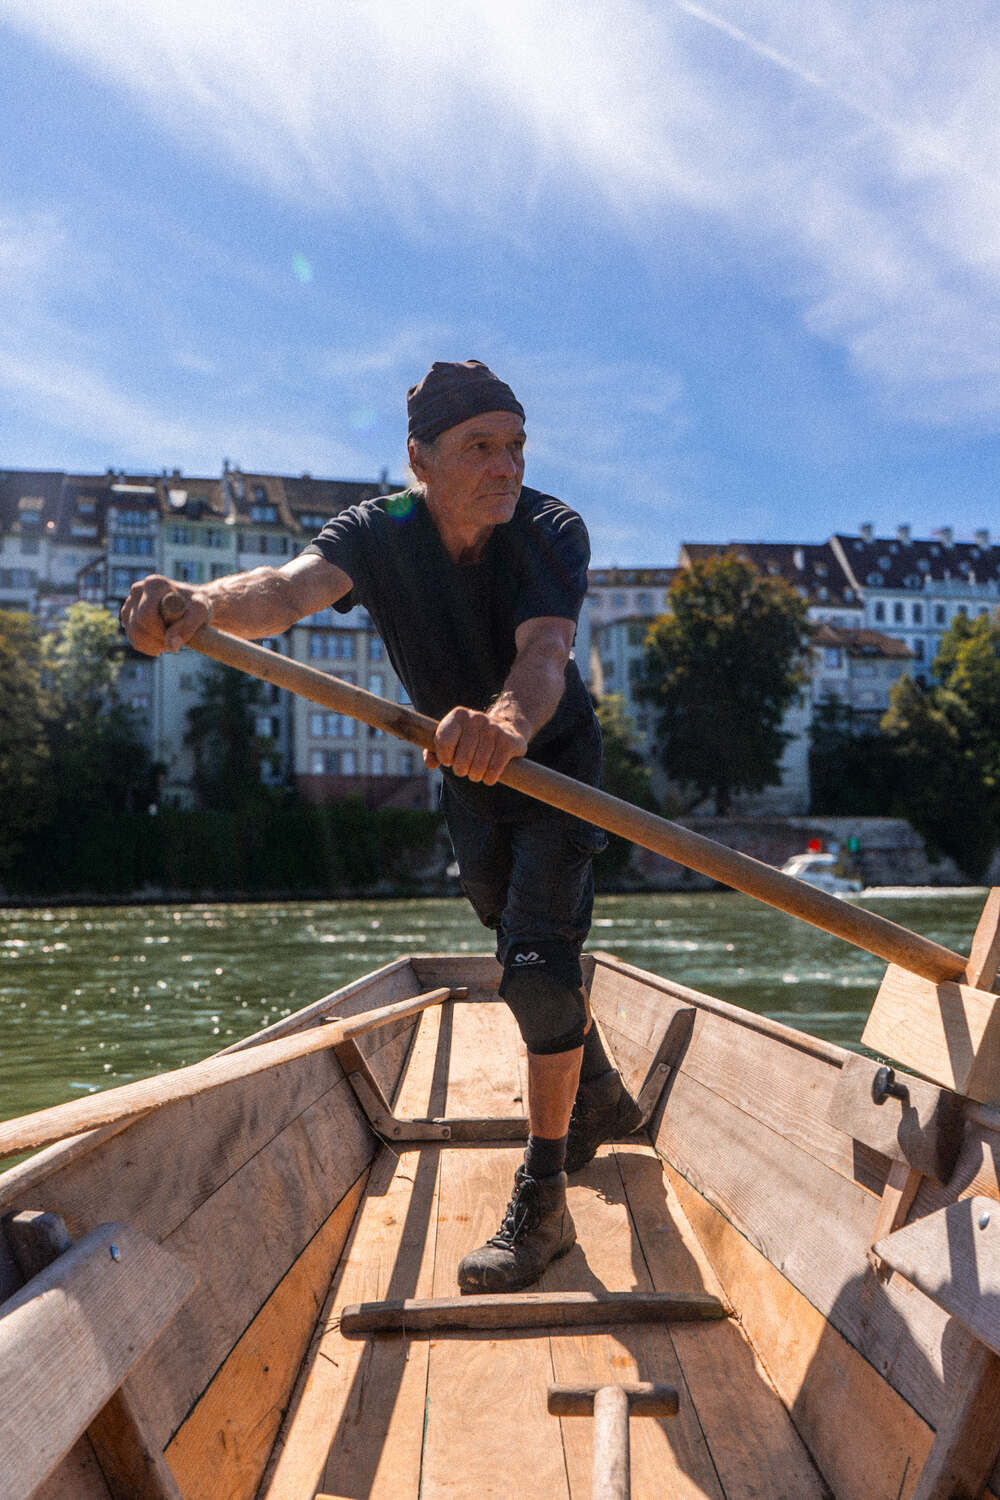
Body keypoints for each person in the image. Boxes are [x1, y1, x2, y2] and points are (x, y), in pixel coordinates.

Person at [121, 359, 641, 1293]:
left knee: (534, 964)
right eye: (479, 447)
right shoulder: (381, 530)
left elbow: (546, 653)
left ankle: (546, 1193)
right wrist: (202, 609)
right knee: (507, 928)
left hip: (556, 769)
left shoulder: (550, 529)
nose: (505, 466)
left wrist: (507, 729)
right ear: (420, 459)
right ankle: (598, 1089)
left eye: (515, 446)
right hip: (466, 772)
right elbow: (283, 593)